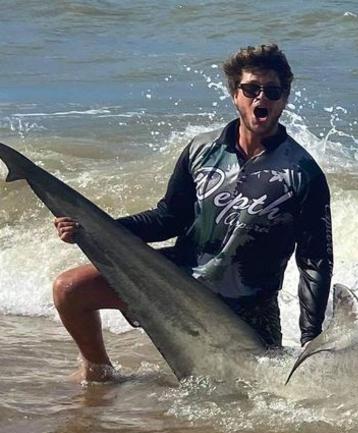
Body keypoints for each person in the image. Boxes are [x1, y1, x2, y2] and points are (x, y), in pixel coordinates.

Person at [52, 44, 333, 382]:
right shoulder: (202, 149)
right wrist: (95, 230)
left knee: (242, 404)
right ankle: (98, 370)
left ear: (284, 98)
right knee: (70, 288)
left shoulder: (303, 173)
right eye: (251, 89)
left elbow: (315, 261)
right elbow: (169, 217)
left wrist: (310, 340)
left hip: (246, 309)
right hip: (178, 283)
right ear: (234, 94)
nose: (262, 98)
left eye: (273, 91)